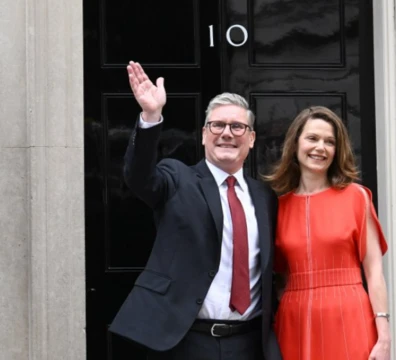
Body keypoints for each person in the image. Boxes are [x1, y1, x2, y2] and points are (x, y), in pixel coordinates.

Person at [109, 61, 282, 360]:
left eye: (238, 126)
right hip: (186, 342)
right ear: (203, 135)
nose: (227, 133)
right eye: (217, 125)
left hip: (249, 343)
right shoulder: (177, 178)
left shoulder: (264, 197)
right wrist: (151, 116)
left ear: (251, 139)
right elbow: (139, 177)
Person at [264, 106, 391, 360]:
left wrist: (384, 334)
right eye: (312, 138)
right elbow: (279, 275)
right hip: (294, 319)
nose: (320, 147)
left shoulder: (357, 197)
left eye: (329, 142)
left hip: (349, 314)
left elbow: (374, 270)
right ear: (295, 143)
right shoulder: (278, 207)